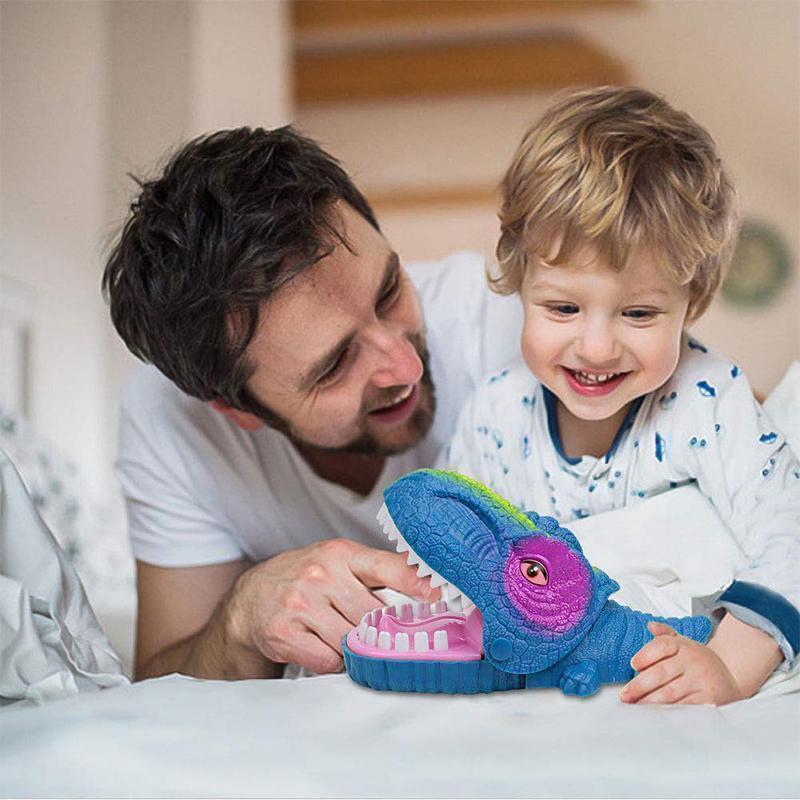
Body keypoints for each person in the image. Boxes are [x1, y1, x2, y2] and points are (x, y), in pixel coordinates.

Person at [102, 127, 523, 680]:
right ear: (237, 409)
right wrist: (240, 618)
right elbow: (161, 681)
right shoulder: (168, 419)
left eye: (389, 291)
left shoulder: (506, 318)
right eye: (334, 364)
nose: (406, 368)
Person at [442, 86, 800, 705]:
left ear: (693, 301)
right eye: (562, 308)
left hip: (671, 670)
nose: (597, 348)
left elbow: (788, 535)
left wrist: (727, 670)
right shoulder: (495, 411)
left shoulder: (709, 400)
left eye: (638, 313)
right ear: (519, 281)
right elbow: (457, 554)